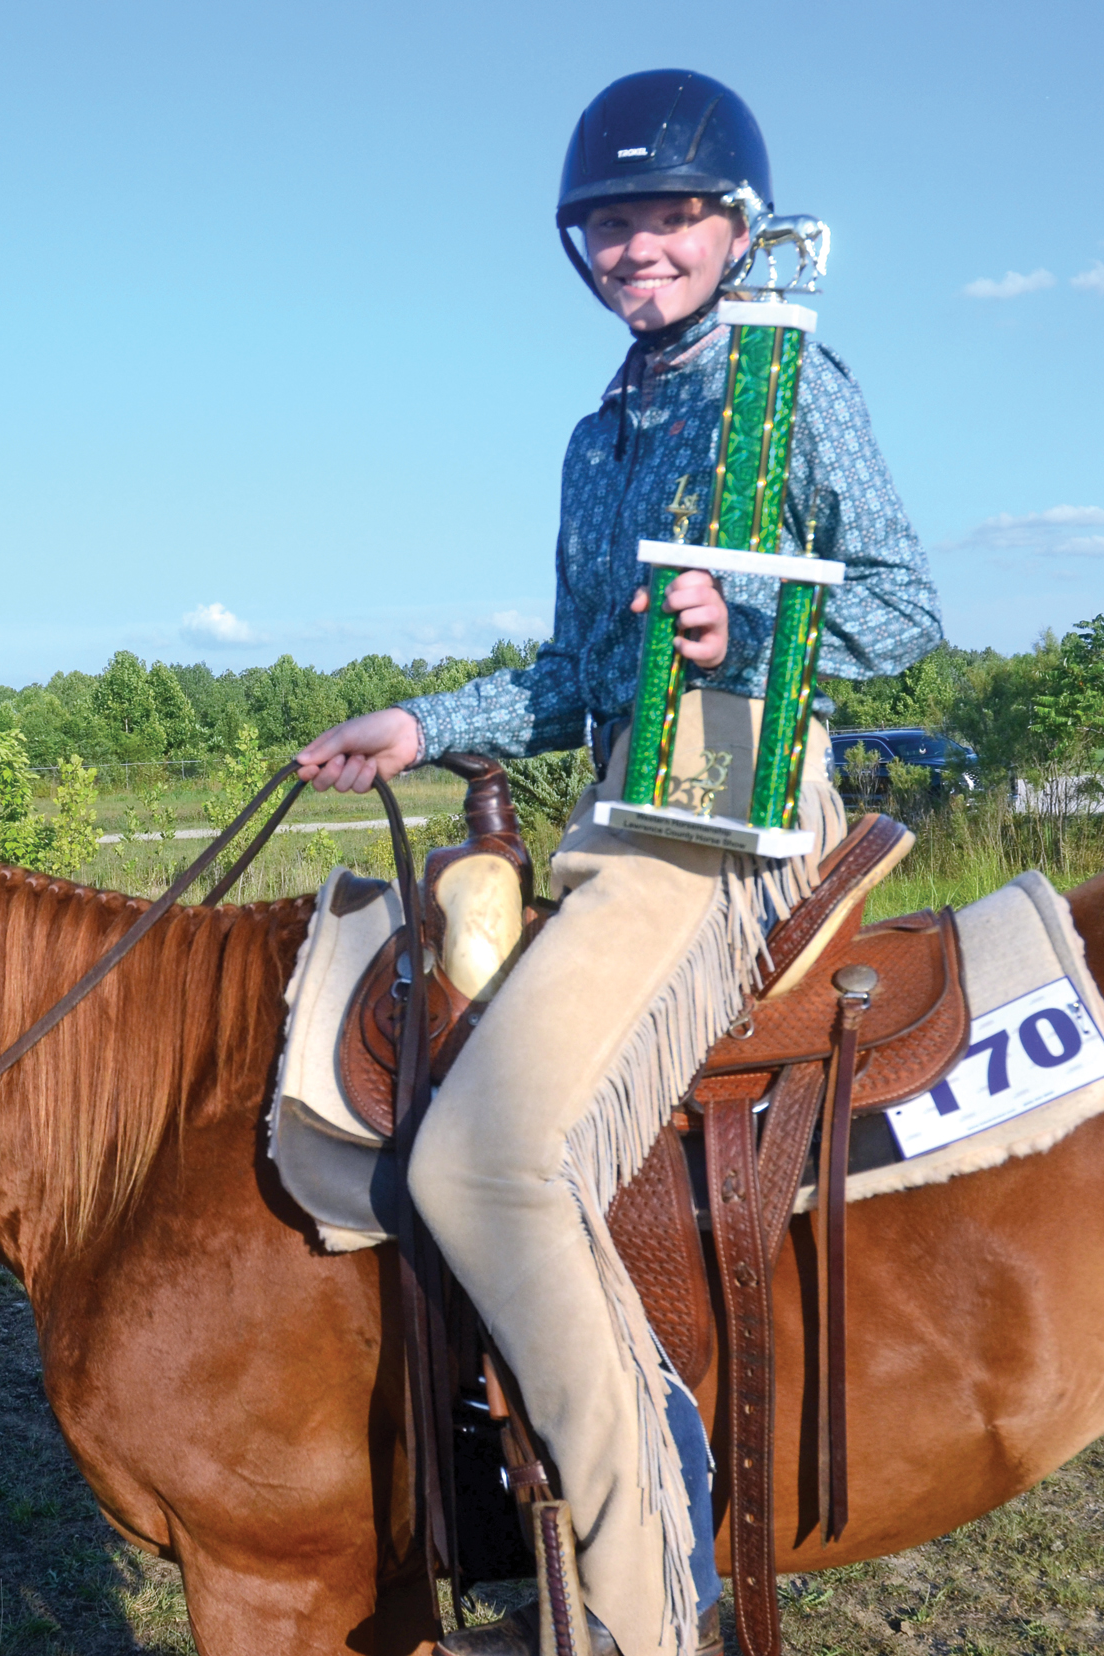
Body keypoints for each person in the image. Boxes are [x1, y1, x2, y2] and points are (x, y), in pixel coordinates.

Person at [295, 70, 942, 1656]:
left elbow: (906, 612)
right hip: (614, 804)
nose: (635, 247)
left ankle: (644, 1606)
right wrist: (419, 722)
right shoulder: (601, 436)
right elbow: (580, 670)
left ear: (738, 227)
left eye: (669, 217)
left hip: (729, 805)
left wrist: (749, 621)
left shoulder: (788, 382)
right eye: (607, 223)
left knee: (478, 1167)